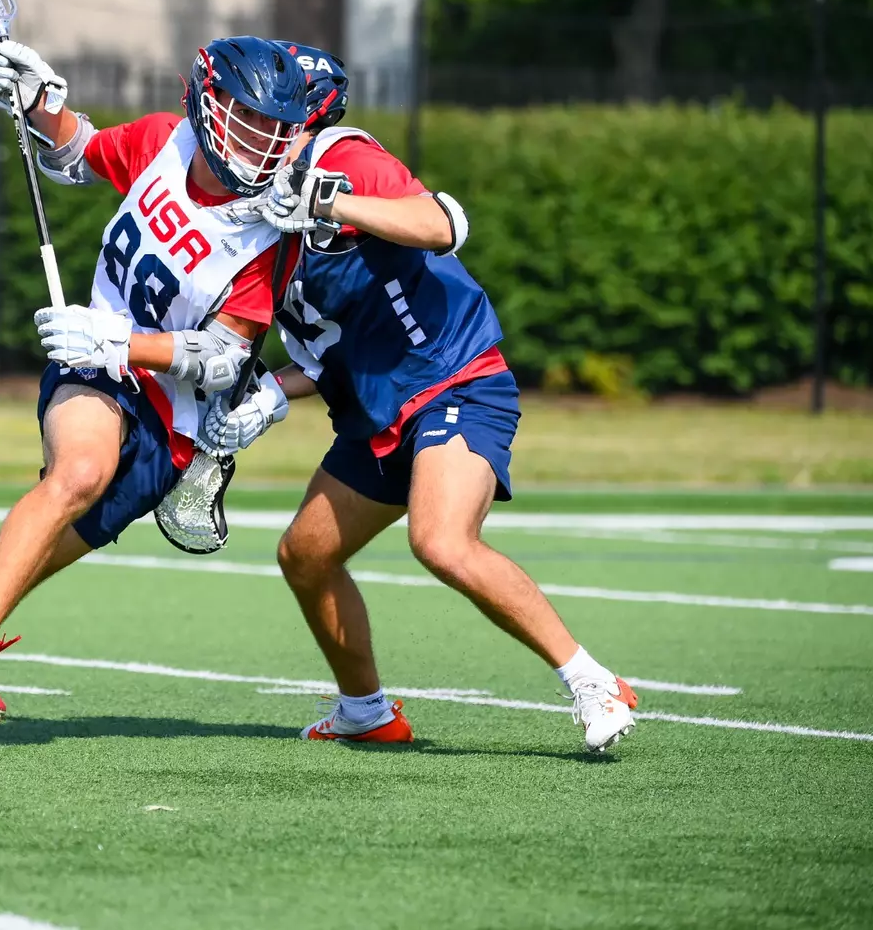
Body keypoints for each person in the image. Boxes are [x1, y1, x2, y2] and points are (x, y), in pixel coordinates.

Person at [0, 35, 310, 734]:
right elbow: (81, 152)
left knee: (17, 567)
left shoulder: (269, 232)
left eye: (275, 127)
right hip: (92, 365)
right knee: (79, 472)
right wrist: (40, 103)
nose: (260, 140)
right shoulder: (164, 142)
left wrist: (124, 342)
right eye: (248, 117)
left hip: (170, 426)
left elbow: (224, 357)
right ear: (207, 102)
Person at [206, 47, 640, 753]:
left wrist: (329, 201)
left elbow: (443, 223)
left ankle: (594, 681)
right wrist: (271, 394)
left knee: (440, 541)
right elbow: (325, 347)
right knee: (305, 555)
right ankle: (366, 711)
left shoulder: (341, 158)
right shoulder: (248, 208)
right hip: (378, 408)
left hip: (453, 379)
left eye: (261, 112)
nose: (245, 125)